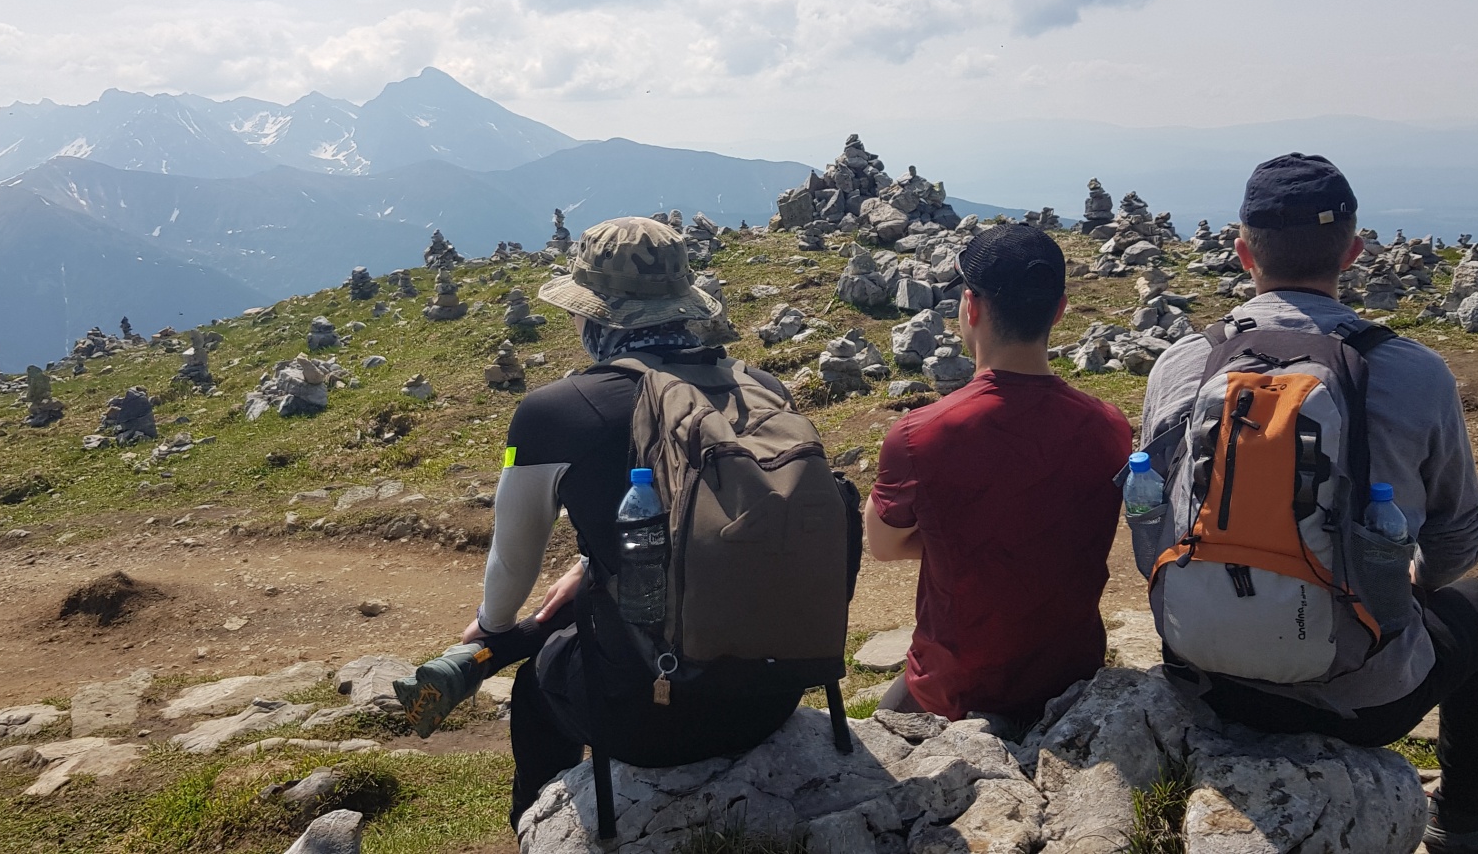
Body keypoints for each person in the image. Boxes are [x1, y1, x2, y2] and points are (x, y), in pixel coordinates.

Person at [1139, 153, 1478, 853]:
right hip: (1362, 698)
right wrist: (1398, 584)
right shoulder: (1416, 372)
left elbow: (1154, 516)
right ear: (1353, 252)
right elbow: (1456, 540)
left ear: (1242, 252)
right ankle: (1468, 810)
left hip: (1203, 675)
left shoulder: (1181, 364)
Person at [394, 216, 809, 829]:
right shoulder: (763, 389)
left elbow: (512, 559)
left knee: (537, 686)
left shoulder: (553, 413)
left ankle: (536, 825)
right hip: (776, 694)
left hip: (651, 719)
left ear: (592, 316)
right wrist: (592, 565)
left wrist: (491, 628)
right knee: (590, 604)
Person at [865, 225, 1132, 724]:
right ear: (1059, 310)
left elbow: (883, 546)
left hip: (955, 694)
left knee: (888, 716)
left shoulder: (919, 435)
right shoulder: (1110, 427)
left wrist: (961, 537)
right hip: (1071, 682)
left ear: (970, 307)